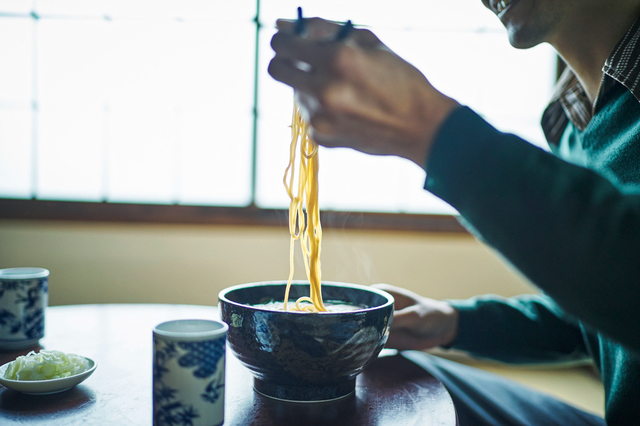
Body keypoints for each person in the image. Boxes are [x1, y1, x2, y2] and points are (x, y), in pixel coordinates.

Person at [268, 1, 640, 424]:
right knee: (391, 382)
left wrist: (433, 131)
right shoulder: (572, 120)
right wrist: (453, 323)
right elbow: (602, 313)